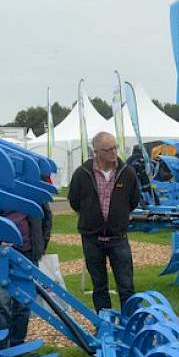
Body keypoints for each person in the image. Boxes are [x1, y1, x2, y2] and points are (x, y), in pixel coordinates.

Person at [68, 131, 141, 312]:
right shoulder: (82, 174)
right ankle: (104, 324)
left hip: (118, 237)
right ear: (96, 152)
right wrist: (91, 219)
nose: (113, 152)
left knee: (126, 285)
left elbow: (133, 200)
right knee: (99, 286)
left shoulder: (127, 173)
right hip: (92, 238)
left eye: (115, 148)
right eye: (108, 149)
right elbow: (74, 201)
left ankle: (129, 323)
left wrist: (118, 217)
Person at [0, 204, 53, 350]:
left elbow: (46, 216)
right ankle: (1, 347)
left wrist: (41, 243)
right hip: (1, 255)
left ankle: (17, 344)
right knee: (2, 301)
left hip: (27, 253)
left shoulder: (30, 189)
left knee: (24, 302)